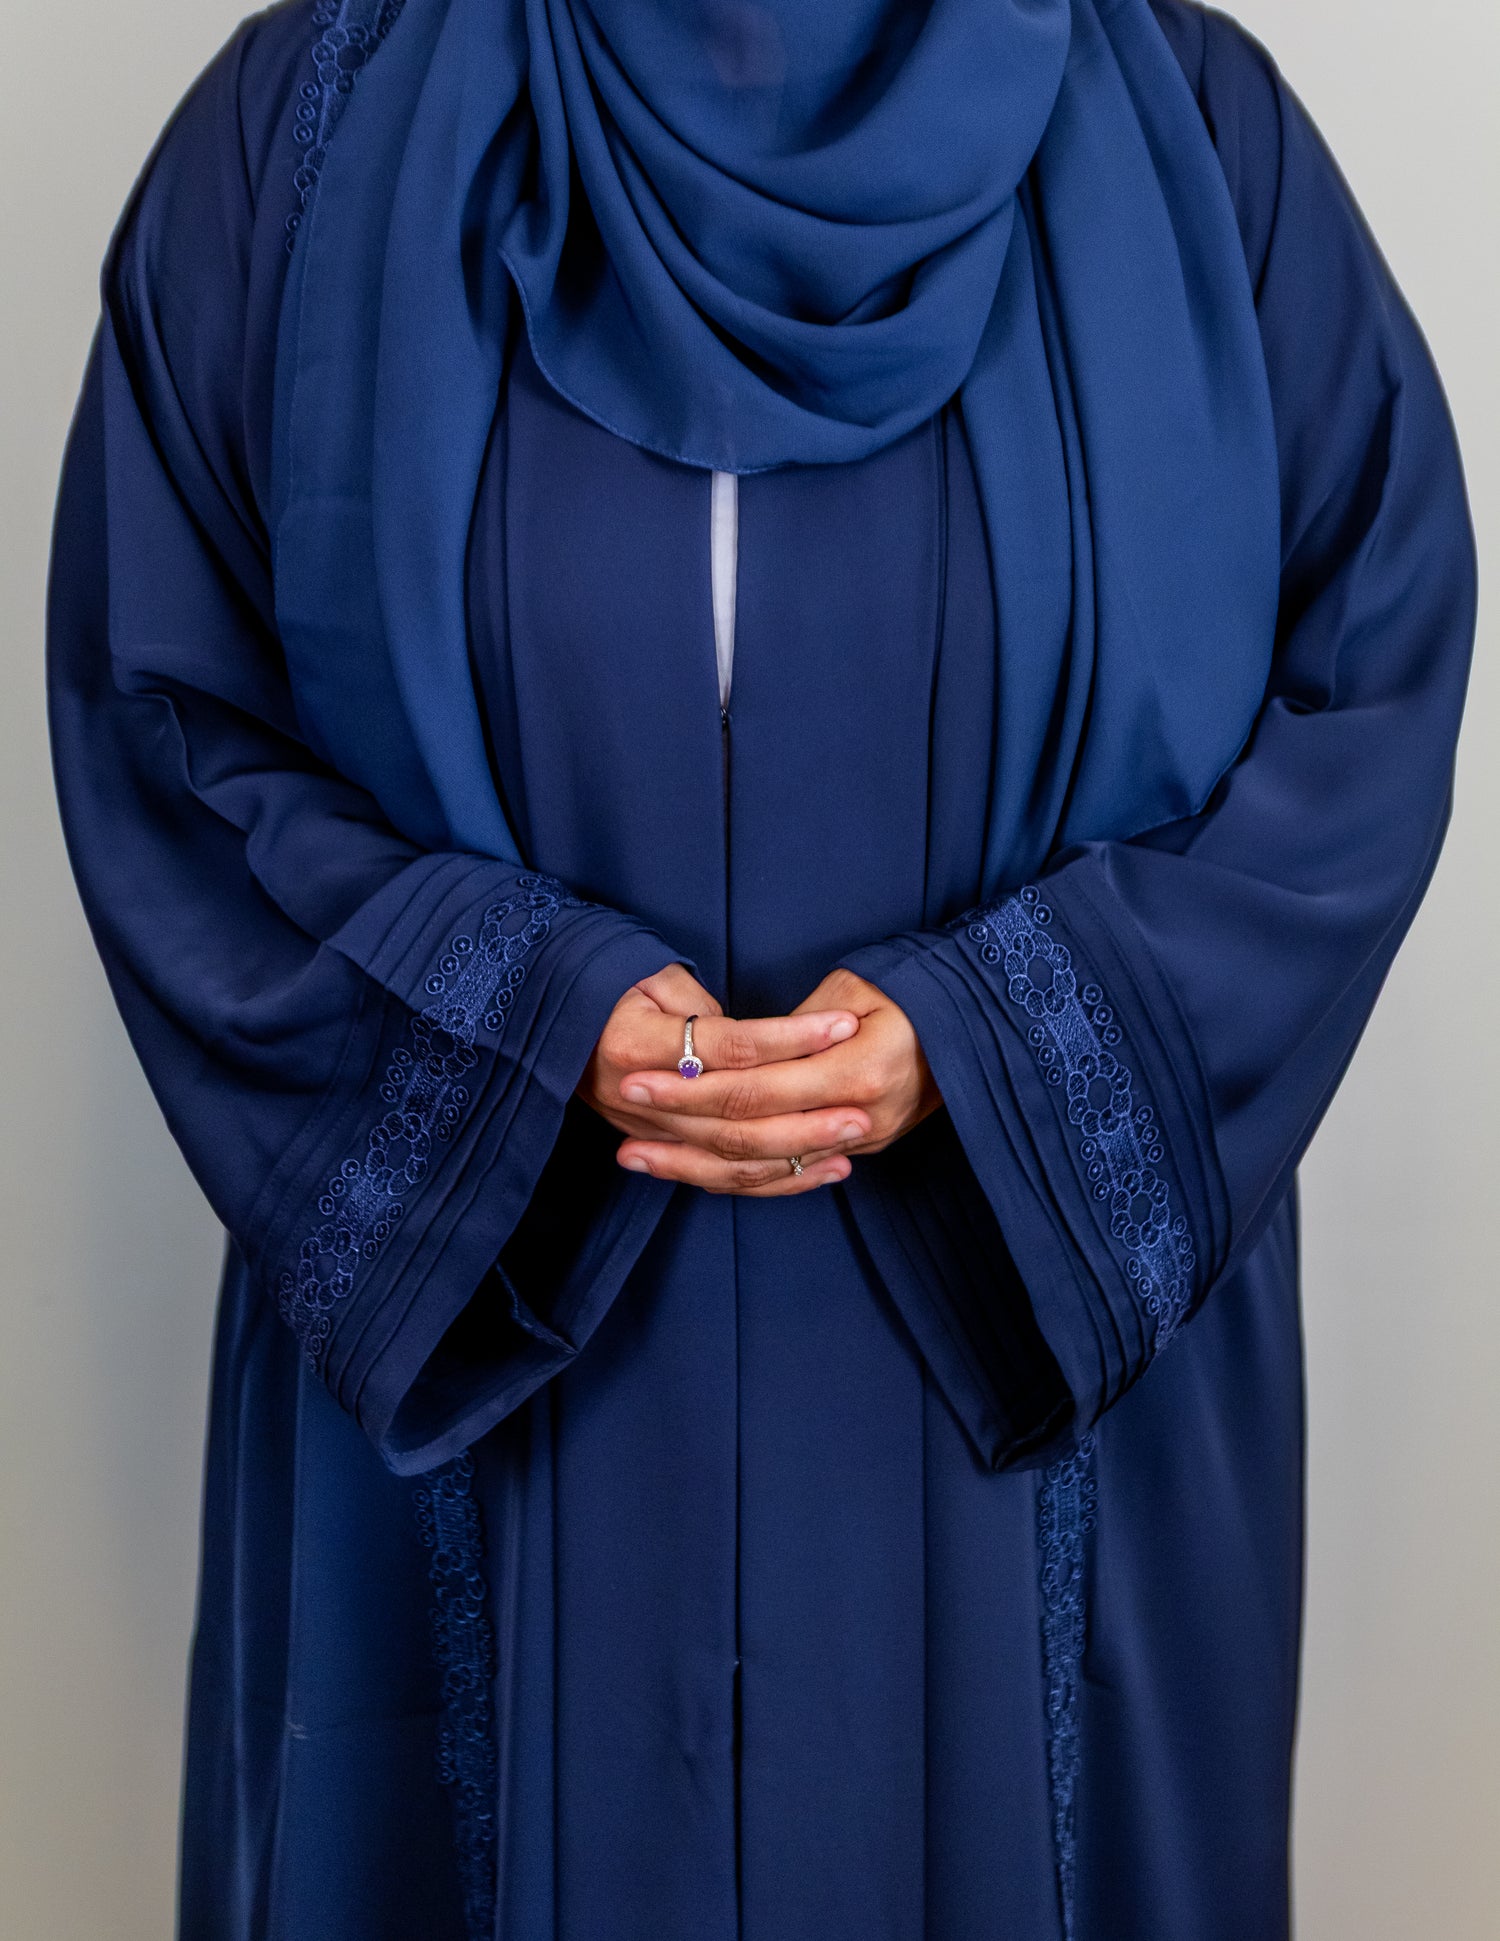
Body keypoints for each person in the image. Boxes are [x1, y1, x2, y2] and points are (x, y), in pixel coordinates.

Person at [47, 0, 1475, 1935]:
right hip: (502, 1409)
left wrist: (997, 1038)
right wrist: (512, 1004)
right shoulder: (303, 138)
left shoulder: (1195, 148)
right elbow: (165, 712)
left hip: (1011, 1405)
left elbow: (1365, 688)